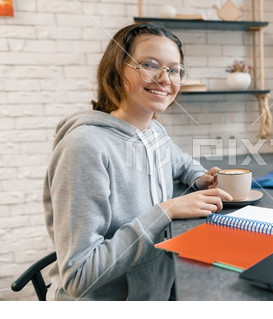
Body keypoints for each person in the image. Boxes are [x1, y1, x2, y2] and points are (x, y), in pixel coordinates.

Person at [43, 22, 232, 301]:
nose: (165, 78)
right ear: (118, 69)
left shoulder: (153, 131)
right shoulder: (84, 146)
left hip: (158, 292)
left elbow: (181, 162)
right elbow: (78, 276)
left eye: (174, 69)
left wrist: (201, 176)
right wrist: (165, 212)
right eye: (150, 64)